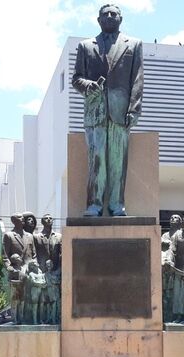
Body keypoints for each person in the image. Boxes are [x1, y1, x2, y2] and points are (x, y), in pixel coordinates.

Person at [71, 4, 143, 217]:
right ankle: (94, 204)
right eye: (105, 14)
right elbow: (76, 78)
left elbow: (137, 79)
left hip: (121, 112)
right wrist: (88, 85)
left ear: (120, 18)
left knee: (118, 161)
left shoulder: (135, 44)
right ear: (98, 19)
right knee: (97, 159)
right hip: (95, 111)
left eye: (114, 13)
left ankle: (116, 204)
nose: (110, 16)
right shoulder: (86, 46)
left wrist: (134, 109)